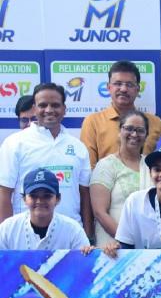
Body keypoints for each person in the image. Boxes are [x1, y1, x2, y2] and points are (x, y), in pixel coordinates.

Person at [0, 83, 93, 239]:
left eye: (55, 105)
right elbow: (4, 193)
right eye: (43, 105)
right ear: (34, 108)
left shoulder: (78, 147)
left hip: (70, 236)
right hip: (25, 236)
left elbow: (85, 195)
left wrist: (88, 237)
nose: (49, 110)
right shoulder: (14, 143)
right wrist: (6, 238)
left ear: (64, 109)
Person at [80, 61, 161, 168]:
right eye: (118, 84)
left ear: (137, 89)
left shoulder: (156, 123)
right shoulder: (93, 122)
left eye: (129, 85)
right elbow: (88, 168)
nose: (124, 89)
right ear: (108, 87)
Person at [89, 111, 153, 247]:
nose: (134, 134)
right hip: (113, 246)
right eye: (129, 128)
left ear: (146, 135)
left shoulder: (151, 165)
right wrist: (127, 241)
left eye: (140, 130)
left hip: (148, 246)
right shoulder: (106, 166)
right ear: (119, 131)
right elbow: (100, 212)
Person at [0, 169, 91, 250]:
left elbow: (85, 260)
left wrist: (88, 253)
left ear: (58, 199)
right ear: (24, 199)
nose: (39, 201)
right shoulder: (8, 229)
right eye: (33, 196)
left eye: (47, 196)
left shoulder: (73, 230)